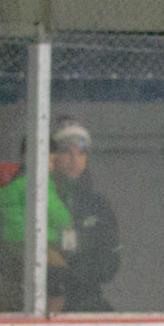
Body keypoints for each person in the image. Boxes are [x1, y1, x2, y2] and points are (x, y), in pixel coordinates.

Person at [0, 145, 76, 312]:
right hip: (36, 240)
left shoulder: (12, 183)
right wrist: (67, 222)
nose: (52, 166)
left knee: (15, 279)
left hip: (14, 240)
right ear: (37, 160)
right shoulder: (38, 183)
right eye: (50, 161)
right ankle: (51, 315)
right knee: (60, 273)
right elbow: (55, 210)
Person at [46, 117, 120, 313]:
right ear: (52, 157)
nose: (74, 160)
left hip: (85, 302)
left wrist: (72, 273)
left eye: (81, 153)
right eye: (66, 152)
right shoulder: (34, 199)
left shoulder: (97, 205)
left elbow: (110, 263)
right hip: (41, 302)